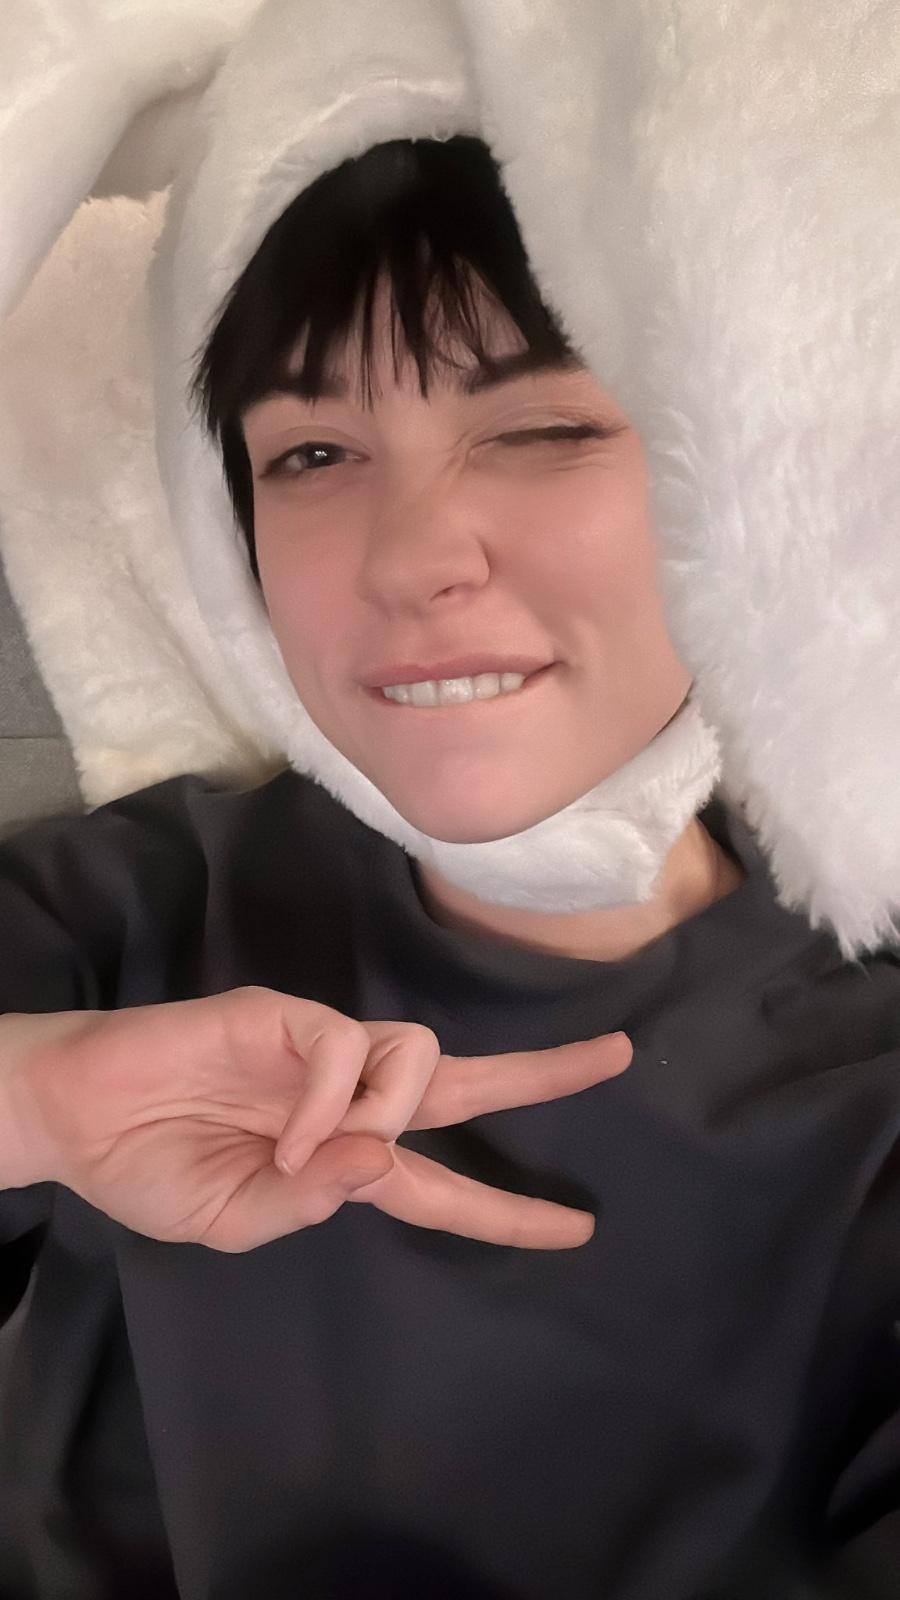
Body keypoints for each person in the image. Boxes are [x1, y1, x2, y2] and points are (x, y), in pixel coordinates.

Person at [1, 4, 898, 1598]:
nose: (414, 557)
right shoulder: (129, 910)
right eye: (312, 455)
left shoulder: (874, 1096)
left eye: (542, 427)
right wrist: (42, 1104)